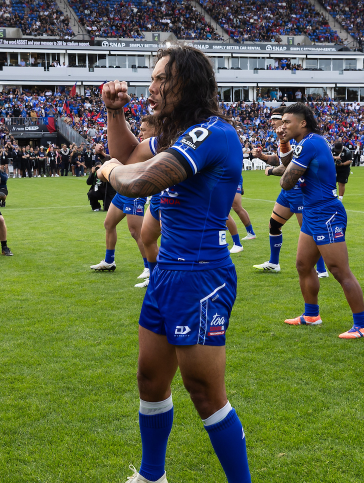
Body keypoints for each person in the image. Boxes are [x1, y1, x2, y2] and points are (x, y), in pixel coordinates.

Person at [96, 45, 251, 483]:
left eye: (162, 78)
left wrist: (107, 171)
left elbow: (138, 178)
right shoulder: (174, 133)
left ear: (189, 82)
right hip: (166, 273)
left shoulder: (212, 133)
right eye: (152, 78)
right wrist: (115, 113)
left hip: (202, 276)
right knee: (150, 380)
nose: (152, 86)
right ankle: (151, 475)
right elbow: (130, 155)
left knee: (204, 393)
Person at [266, 103, 364, 338]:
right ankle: (311, 315)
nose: (283, 126)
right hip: (313, 211)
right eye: (281, 122)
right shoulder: (305, 143)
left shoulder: (310, 142)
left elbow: (286, 181)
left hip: (326, 212)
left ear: (302, 123)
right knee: (303, 265)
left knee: (339, 270)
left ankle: (363, 325)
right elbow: (288, 166)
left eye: (287, 122)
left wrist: (282, 172)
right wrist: (285, 150)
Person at [252, 110, 327, 279]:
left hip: (299, 191)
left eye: (277, 120)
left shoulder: (298, 140)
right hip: (287, 192)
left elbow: (288, 167)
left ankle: (321, 270)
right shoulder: (284, 139)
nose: (273, 123)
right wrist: (263, 157)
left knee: (309, 231)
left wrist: (271, 171)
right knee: (274, 224)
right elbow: (280, 159)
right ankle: (274, 263)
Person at [91, 120, 152, 276]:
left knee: (136, 232)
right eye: (140, 130)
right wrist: (105, 156)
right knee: (109, 223)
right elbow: (121, 159)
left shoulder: (149, 146)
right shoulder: (137, 145)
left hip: (135, 192)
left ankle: (149, 268)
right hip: (123, 191)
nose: (141, 133)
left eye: (144, 130)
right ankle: (109, 261)